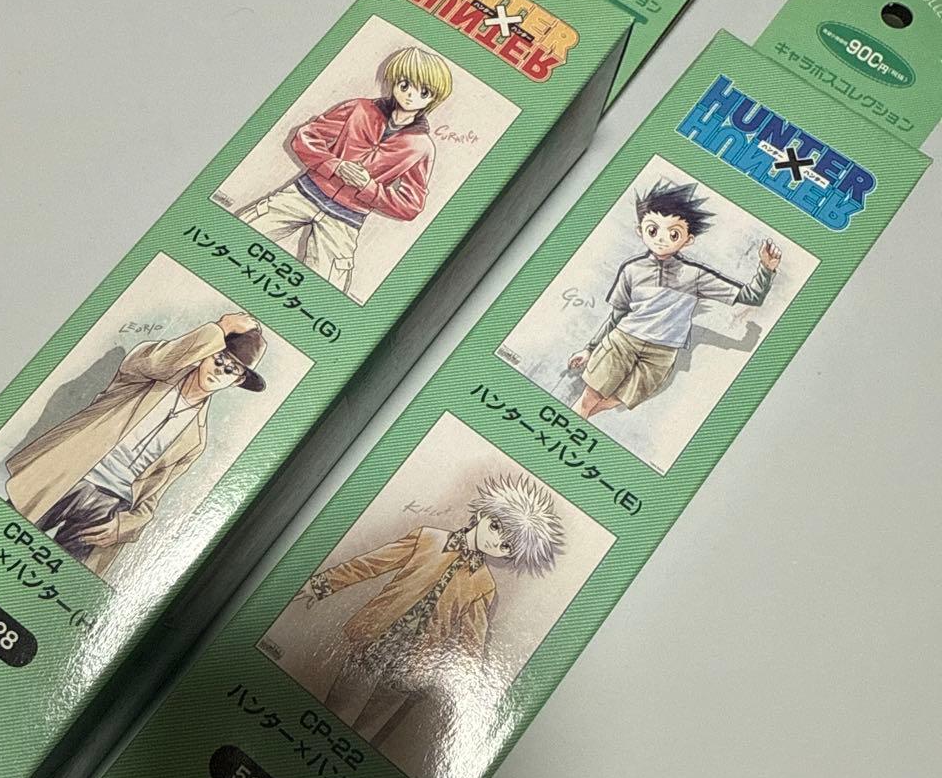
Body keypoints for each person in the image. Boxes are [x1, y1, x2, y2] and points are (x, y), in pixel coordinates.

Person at [298, 474, 564, 747]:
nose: (495, 541)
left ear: (508, 555)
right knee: (333, 705)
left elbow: (472, 641)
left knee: (365, 731)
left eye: (506, 546)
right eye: (496, 526)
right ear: (482, 514)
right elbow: (373, 563)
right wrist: (321, 584)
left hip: (414, 663)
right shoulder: (428, 538)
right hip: (374, 639)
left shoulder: (484, 585)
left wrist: (467, 688)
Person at [4, 312, 266, 576]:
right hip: (65, 477)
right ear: (205, 354)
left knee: (59, 577)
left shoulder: (196, 439)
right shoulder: (147, 378)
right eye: (219, 359)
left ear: (237, 380)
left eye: (231, 370)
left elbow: (153, 494)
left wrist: (125, 526)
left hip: (109, 508)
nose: (220, 370)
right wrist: (220, 328)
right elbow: (152, 360)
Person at [235, 46, 453, 293]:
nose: (411, 95)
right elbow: (306, 137)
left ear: (433, 98)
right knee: (238, 236)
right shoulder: (359, 109)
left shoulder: (421, 147)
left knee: (323, 291)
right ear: (394, 81)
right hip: (302, 194)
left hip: (345, 220)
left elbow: (410, 205)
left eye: (423, 92)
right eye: (405, 85)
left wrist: (368, 187)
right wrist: (335, 165)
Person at [568, 180, 782, 419]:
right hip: (623, 341)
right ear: (640, 231)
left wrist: (767, 269)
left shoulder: (695, 276)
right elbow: (617, 315)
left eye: (673, 234)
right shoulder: (632, 270)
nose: (661, 239)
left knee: (614, 401)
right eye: (653, 230)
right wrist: (589, 348)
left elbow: (751, 296)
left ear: (687, 239)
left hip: (661, 354)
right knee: (588, 399)